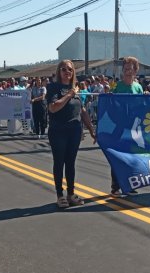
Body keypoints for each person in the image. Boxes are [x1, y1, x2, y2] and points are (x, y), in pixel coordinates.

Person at [46, 59, 96, 208]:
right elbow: (53, 107)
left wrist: (92, 130)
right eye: (63, 69)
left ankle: (71, 193)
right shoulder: (53, 87)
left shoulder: (75, 89)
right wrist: (69, 94)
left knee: (70, 163)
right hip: (58, 130)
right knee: (59, 162)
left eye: (70, 69)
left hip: (74, 131)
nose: (67, 72)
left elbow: (82, 110)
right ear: (59, 71)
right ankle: (60, 195)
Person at [108, 56, 144, 197]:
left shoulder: (138, 87)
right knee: (117, 157)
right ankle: (115, 186)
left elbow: (142, 107)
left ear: (136, 71)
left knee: (132, 157)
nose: (129, 71)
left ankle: (129, 185)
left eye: (132, 68)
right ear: (123, 70)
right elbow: (110, 107)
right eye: (126, 68)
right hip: (119, 127)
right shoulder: (117, 87)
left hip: (134, 127)